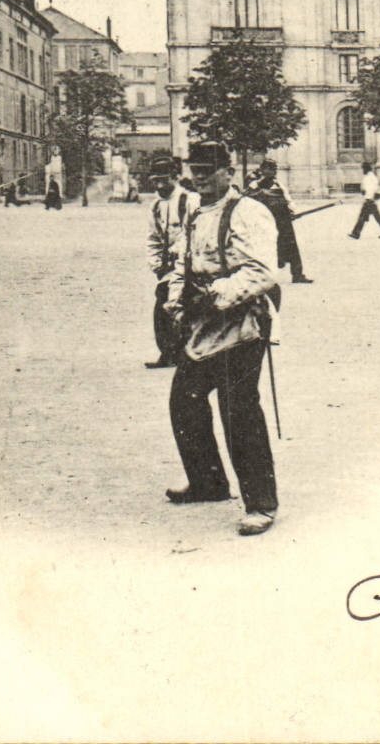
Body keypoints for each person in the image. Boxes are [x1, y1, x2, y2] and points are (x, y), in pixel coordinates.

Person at [160, 142, 281, 536]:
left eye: (208, 170)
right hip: (202, 325)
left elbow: (262, 272)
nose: (199, 178)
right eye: (195, 170)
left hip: (242, 322)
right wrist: (177, 303)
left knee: (239, 410)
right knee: (185, 401)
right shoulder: (195, 214)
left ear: (229, 172)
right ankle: (208, 482)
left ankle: (261, 504)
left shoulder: (250, 212)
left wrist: (214, 296)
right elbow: (181, 264)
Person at [145, 157, 191, 368]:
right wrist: (155, 263)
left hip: (188, 264)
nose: (159, 186)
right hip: (168, 268)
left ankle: (185, 353)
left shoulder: (189, 201)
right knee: (161, 309)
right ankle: (168, 353)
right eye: (155, 181)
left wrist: (176, 252)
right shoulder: (155, 206)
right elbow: (153, 237)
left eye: (164, 180)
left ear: (175, 177)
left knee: (184, 308)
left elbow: (191, 232)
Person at [247, 158, 313, 284]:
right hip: (265, 222)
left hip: (283, 220)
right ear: (263, 170)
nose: (273, 171)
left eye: (274, 169)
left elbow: (288, 200)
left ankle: (297, 275)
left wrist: (293, 211)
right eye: (270, 168)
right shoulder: (254, 185)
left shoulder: (278, 185)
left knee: (292, 246)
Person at [349, 160, 380, 239]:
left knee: (365, 217)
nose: (362, 171)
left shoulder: (370, 177)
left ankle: (356, 233)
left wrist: (369, 198)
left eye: (363, 169)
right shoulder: (370, 177)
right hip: (370, 199)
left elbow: (371, 189)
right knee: (370, 217)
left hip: (369, 200)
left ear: (366, 169)